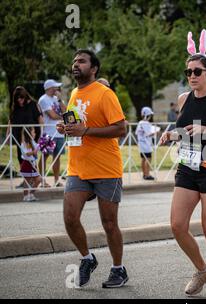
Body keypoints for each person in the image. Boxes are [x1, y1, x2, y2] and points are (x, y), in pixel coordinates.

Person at [158, 30, 206, 298]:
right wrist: (171, 134)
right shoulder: (182, 99)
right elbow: (184, 129)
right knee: (178, 226)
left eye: (197, 71)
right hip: (188, 168)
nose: (192, 76)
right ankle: (203, 270)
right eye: (188, 71)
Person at [56, 49, 128, 288]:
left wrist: (86, 131)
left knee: (109, 223)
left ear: (94, 68)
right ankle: (88, 258)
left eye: (82, 61)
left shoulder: (105, 94)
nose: (76, 64)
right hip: (78, 166)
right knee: (69, 217)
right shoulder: (74, 93)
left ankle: (118, 269)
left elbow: (120, 129)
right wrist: (65, 128)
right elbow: (77, 124)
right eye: (74, 60)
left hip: (106, 168)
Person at [7, 86, 43, 188]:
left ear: (25, 96)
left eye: (21, 97)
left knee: (31, 158)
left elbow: (40, 119)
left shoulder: (33, 104)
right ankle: (26, 181)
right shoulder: (15, 106)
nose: (19, 100)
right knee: (21, 158)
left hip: (31, 136)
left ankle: (32, 180)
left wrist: (41, 135)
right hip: (19, 137)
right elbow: (11, 120)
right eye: (17, 98)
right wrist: (8, 134)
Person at [38, 79, 67, 187]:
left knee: (57, 157)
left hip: (59, 132)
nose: (57, 89)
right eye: (55, 87)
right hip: (48, 133)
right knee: (45, 156)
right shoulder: (43, 99)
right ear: (49, 88)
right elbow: (52, 115)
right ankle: (42, 181)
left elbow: (65, 111)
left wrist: (60, 100)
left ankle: (56, 180)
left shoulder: (56, 99)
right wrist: (64, 118)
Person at [136, 106, 159, 180]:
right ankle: (147, 174)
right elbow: (149, 133)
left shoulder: (140, 123)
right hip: (146, 144)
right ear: (147, 115)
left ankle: (144, 174)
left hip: (141, 144)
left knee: (143, 159)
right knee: (148, 159)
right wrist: (156, 131)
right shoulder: (145, 123)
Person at [19, 127, 41, 201]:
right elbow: (26, 153)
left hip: (33, 163)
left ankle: (31, 193)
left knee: (38, 179)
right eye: (33, 132)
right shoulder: (24, 143)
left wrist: (41, 144)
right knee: (27, 181)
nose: (34, 133)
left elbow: (37, 148)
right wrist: (33, 152)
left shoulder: (33, 142)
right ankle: (25, 196)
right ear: (28, 133)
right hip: (27, 163)